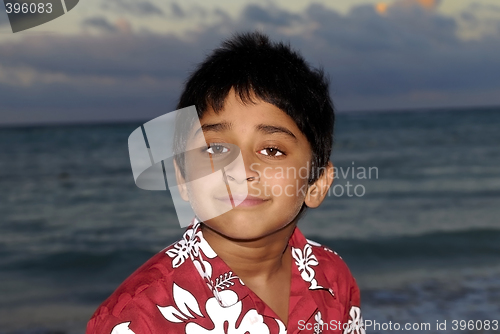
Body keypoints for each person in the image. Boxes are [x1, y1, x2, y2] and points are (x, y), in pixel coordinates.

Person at [86, 31, 365, 334]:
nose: (241, 169)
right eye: (216, 148)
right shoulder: (137, 317)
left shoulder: (332, 279)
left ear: (317, 184)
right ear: (183, 178)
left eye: (272, 150)